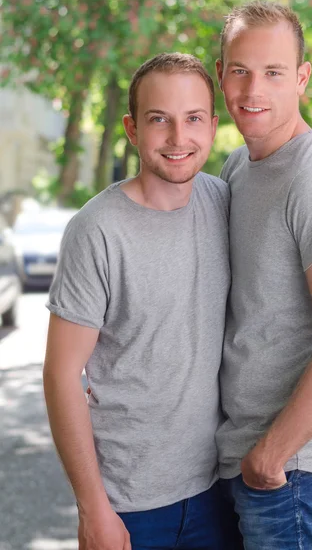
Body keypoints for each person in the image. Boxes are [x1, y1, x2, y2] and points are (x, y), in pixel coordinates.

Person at [43, 53, 235, 550]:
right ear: (131, 128)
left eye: (193, 119)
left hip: (219, 490)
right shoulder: (97, 230)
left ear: (213, 127)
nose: (178, 138)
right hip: (128, 503)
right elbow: (62, 375)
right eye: (159, 120)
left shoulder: (225, 204)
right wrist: (93, 509)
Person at [215, 1, 312, 549]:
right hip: (242, 459)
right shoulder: (238, 167)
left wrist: (272, 455)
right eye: (241, 70)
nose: (254, 90)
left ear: (301, 78)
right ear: (221, 75)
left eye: (274, 72)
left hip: (293, 472)